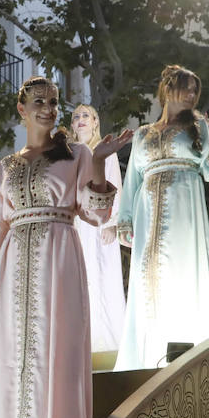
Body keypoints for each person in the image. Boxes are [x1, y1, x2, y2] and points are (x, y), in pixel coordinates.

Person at [0, 77, 126, 418]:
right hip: (13, 269)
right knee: (14, 363)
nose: (48, 108)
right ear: (21, 109)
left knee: (56, 356)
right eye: (38, 101)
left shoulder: (76, 154)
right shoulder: (6, 167)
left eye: (54, 102)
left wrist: (97, 161)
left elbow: (96, 215)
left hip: (59, 260)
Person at [115, 65, 209, 370]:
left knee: (182, 276)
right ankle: (146, 359)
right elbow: (132, 183)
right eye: (186, 87)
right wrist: (124, 219)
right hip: (146, 217)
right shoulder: (142, 135)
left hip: (185, 214)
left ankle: (185, 362)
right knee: (147, 283)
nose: (192, 95)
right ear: (167, 89)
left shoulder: (201, 128)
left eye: (195, 90)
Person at [69, 104, 128, 361]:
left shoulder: (104, 154)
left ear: (95, 122)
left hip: (98, 226)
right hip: (74, 226)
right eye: (75, 117)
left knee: (103, 280)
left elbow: (115, 186)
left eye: (85, 116)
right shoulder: (68, 155)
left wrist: (112, 223)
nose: (80, 120)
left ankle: (108, 346)